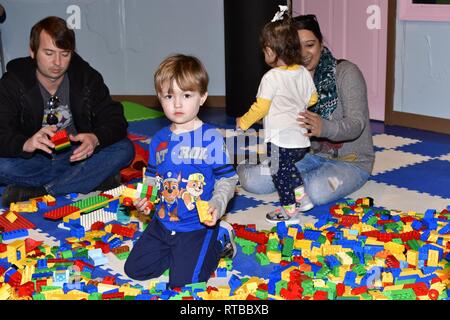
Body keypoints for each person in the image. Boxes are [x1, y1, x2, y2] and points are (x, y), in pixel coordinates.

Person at [237, 14, 375, 223]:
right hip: (304, 154)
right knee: (253, 180)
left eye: (309, 45)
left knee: (316, 190)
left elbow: (357, 124)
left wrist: (324, 128)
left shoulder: (346, 73)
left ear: (321, 42)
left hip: (351, 162)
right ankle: (240, 165)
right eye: (295, 47)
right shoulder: (290, 76)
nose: (303, 53)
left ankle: (291, 194)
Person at [124, 54, 238, 288]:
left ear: (202, 97)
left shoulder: (211, 139)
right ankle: (179, 254)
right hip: (163, 223)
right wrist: (146, 198)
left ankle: (219, 238)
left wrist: (217, 203)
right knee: (135, 270)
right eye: (169, 96)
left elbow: (228, 178)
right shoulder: (159, 140)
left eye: (186, 95)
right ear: (160, 98)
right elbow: (152, 176)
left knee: (183, 285)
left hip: (198, 226)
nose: (177, 104)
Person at [0, 16, 134, 206]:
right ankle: (88, 179)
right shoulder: (13, 82)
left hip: (75, 155)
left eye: (64, 54)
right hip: (34, 159)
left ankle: (41, 190)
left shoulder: (86, 77)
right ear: (33, 51)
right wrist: (25, 144)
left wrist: (95, 138)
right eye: (49, 53)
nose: (57, 62)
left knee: (124, 149)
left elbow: (115, 118)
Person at [236, 16, 318, 223]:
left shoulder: (271, 78)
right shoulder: (303, 72)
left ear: (270, 51)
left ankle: (290, 212)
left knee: (279, 174)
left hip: (281, 139)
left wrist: (243, 122)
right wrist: (295, 105)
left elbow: (261, 107)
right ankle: (303, 198)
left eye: (264, 50)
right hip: (300, 140)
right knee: (289, 169)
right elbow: (312, 98)